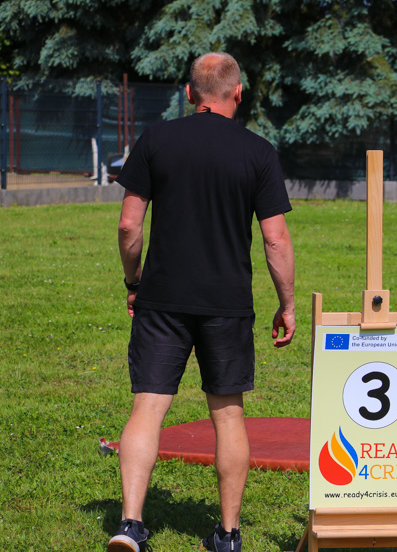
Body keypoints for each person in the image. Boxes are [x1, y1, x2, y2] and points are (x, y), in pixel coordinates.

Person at [108, 52, 295, 552]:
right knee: (228, 414)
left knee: (147, 408)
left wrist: (134, 281)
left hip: (162, 297)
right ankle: (228, 535)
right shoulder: (259, 152)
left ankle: (129, 525)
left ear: (189, 94)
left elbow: (129, 224)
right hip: (227, 302)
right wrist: (288, 304)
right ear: (238, 94)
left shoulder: (155, 140)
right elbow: (275, 240)